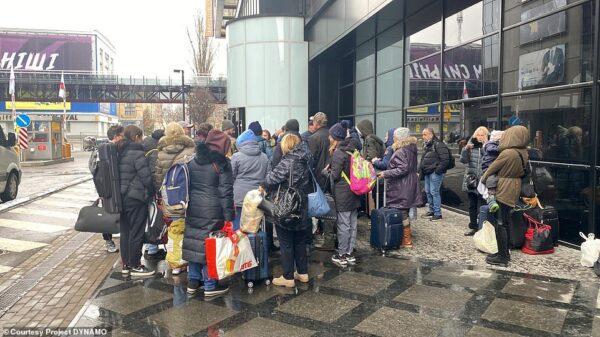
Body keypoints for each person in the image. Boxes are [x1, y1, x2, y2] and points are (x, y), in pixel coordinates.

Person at [184, 130, 234, 296]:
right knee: (210, 245)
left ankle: (192, 281)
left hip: (193, 207)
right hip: (214, 209)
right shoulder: (222, 164)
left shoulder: (193, 161)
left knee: (194, 241)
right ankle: (210, 284)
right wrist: (229, 217)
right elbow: (226, 192)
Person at [263, 133, 311, 287]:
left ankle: (288, 276)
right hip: (302, 203)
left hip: (287, 203)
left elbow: (272, 179)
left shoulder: (289, 160)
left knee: (286, 242)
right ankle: (303, 273)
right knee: (300, 240)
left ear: (286, 145)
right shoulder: (306, 159)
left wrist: (269, 169)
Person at [481, 125, 530, 267]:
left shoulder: (507, 153)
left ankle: (502, 256)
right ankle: (504, 252)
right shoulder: (523, 152)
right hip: (515, 186)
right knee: (506, 221)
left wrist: (484, 180)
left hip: (503, 187)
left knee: (500, 222)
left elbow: (491, 169)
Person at [116, 125, 155, 277]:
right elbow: (146, 177)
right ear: (137, 136)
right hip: (136, 198)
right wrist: (151, 192)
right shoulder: (137, 152)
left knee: (125, 231)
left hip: (121, 197)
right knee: (136, 231)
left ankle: (125, 264)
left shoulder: (119, 151)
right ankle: (136, 264)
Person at [377, 127, 421, 248]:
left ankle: (406, 240)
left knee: (402, 212)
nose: (393, 139)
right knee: (404, 211)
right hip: (408, 184)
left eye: (395, 137)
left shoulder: (402, 151)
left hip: (402, 186)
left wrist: (385, 173)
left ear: (399, 138)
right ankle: (405, 238)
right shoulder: (411, 148)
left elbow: (402, 169)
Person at [327, 122, 361, 266]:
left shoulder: (338, 153)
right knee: (353, 223)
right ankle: (349, 253)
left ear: (335, 137)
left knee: (343, 224)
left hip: (343, 193)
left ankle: (341, 255)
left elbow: (334, 176)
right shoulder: (353, 150)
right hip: (355, 190)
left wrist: (325, 172)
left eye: (330, 135)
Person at [88, 124, 123, 253]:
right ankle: (108, 241)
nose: (123, 138)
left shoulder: (107, 149)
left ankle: (112, 239)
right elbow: (95, 171)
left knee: (112, 213)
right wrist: (103, 191)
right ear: (116, 136)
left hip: (110, 188)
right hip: (107, 189)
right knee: (107, 214)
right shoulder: (103, 150)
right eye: (121, 135)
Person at [231, 130, 270, 231]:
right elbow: (268, 177)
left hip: (240, 197)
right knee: (257, 226)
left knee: (238, 225)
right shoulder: (264, 157)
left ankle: (240, 246)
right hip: (258, 196)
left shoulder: (236, 156)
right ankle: (257, 245)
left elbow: (231, 176)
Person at [141, 128, 166, 261]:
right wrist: (157, 191)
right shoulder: (155, 151)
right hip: (150, 191)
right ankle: (152, 249)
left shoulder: (145, 146)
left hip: (142, 191)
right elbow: (154, 173)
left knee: (148, 218)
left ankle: (149, 247)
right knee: (154, 218)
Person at [461, 126, 489, 236]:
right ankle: (473, 226)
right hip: (471, 179)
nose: (480, 137)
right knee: (472, 205)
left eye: (482, 135)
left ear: (486, 136)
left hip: (483, 180)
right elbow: (463, 161)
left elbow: (488, 158)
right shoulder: (470, 145)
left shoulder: (489, 146)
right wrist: (465, 149)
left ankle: (483, 227)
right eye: (478, 135)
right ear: (474, 135)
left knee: (483, 204)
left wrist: (484, 146)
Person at [418, 128, 450, 221]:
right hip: (428, 172)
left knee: (434, 192)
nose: (423, 136)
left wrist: (437, 170)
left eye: (425, 134)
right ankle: (431, 211)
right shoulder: (428, 145)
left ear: (431, 134)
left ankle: (437, 213)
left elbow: (445, 159)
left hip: (434, 172)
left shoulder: (438, 144)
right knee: (428, 191)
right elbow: (423, 159)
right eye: (423, 134)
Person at [481, 130, 503, 213]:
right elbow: (492, 150)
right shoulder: (490, 144)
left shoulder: (493, 144)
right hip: (488, 167)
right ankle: (491, 199)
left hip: (492, 166)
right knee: (492, 179)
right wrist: (502, 147)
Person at [308, 112, 330, 188]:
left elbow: (311, 159)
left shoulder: (314, 138)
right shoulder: (332, 134)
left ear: (316, 123)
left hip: (319, 176)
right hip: (333, 174)